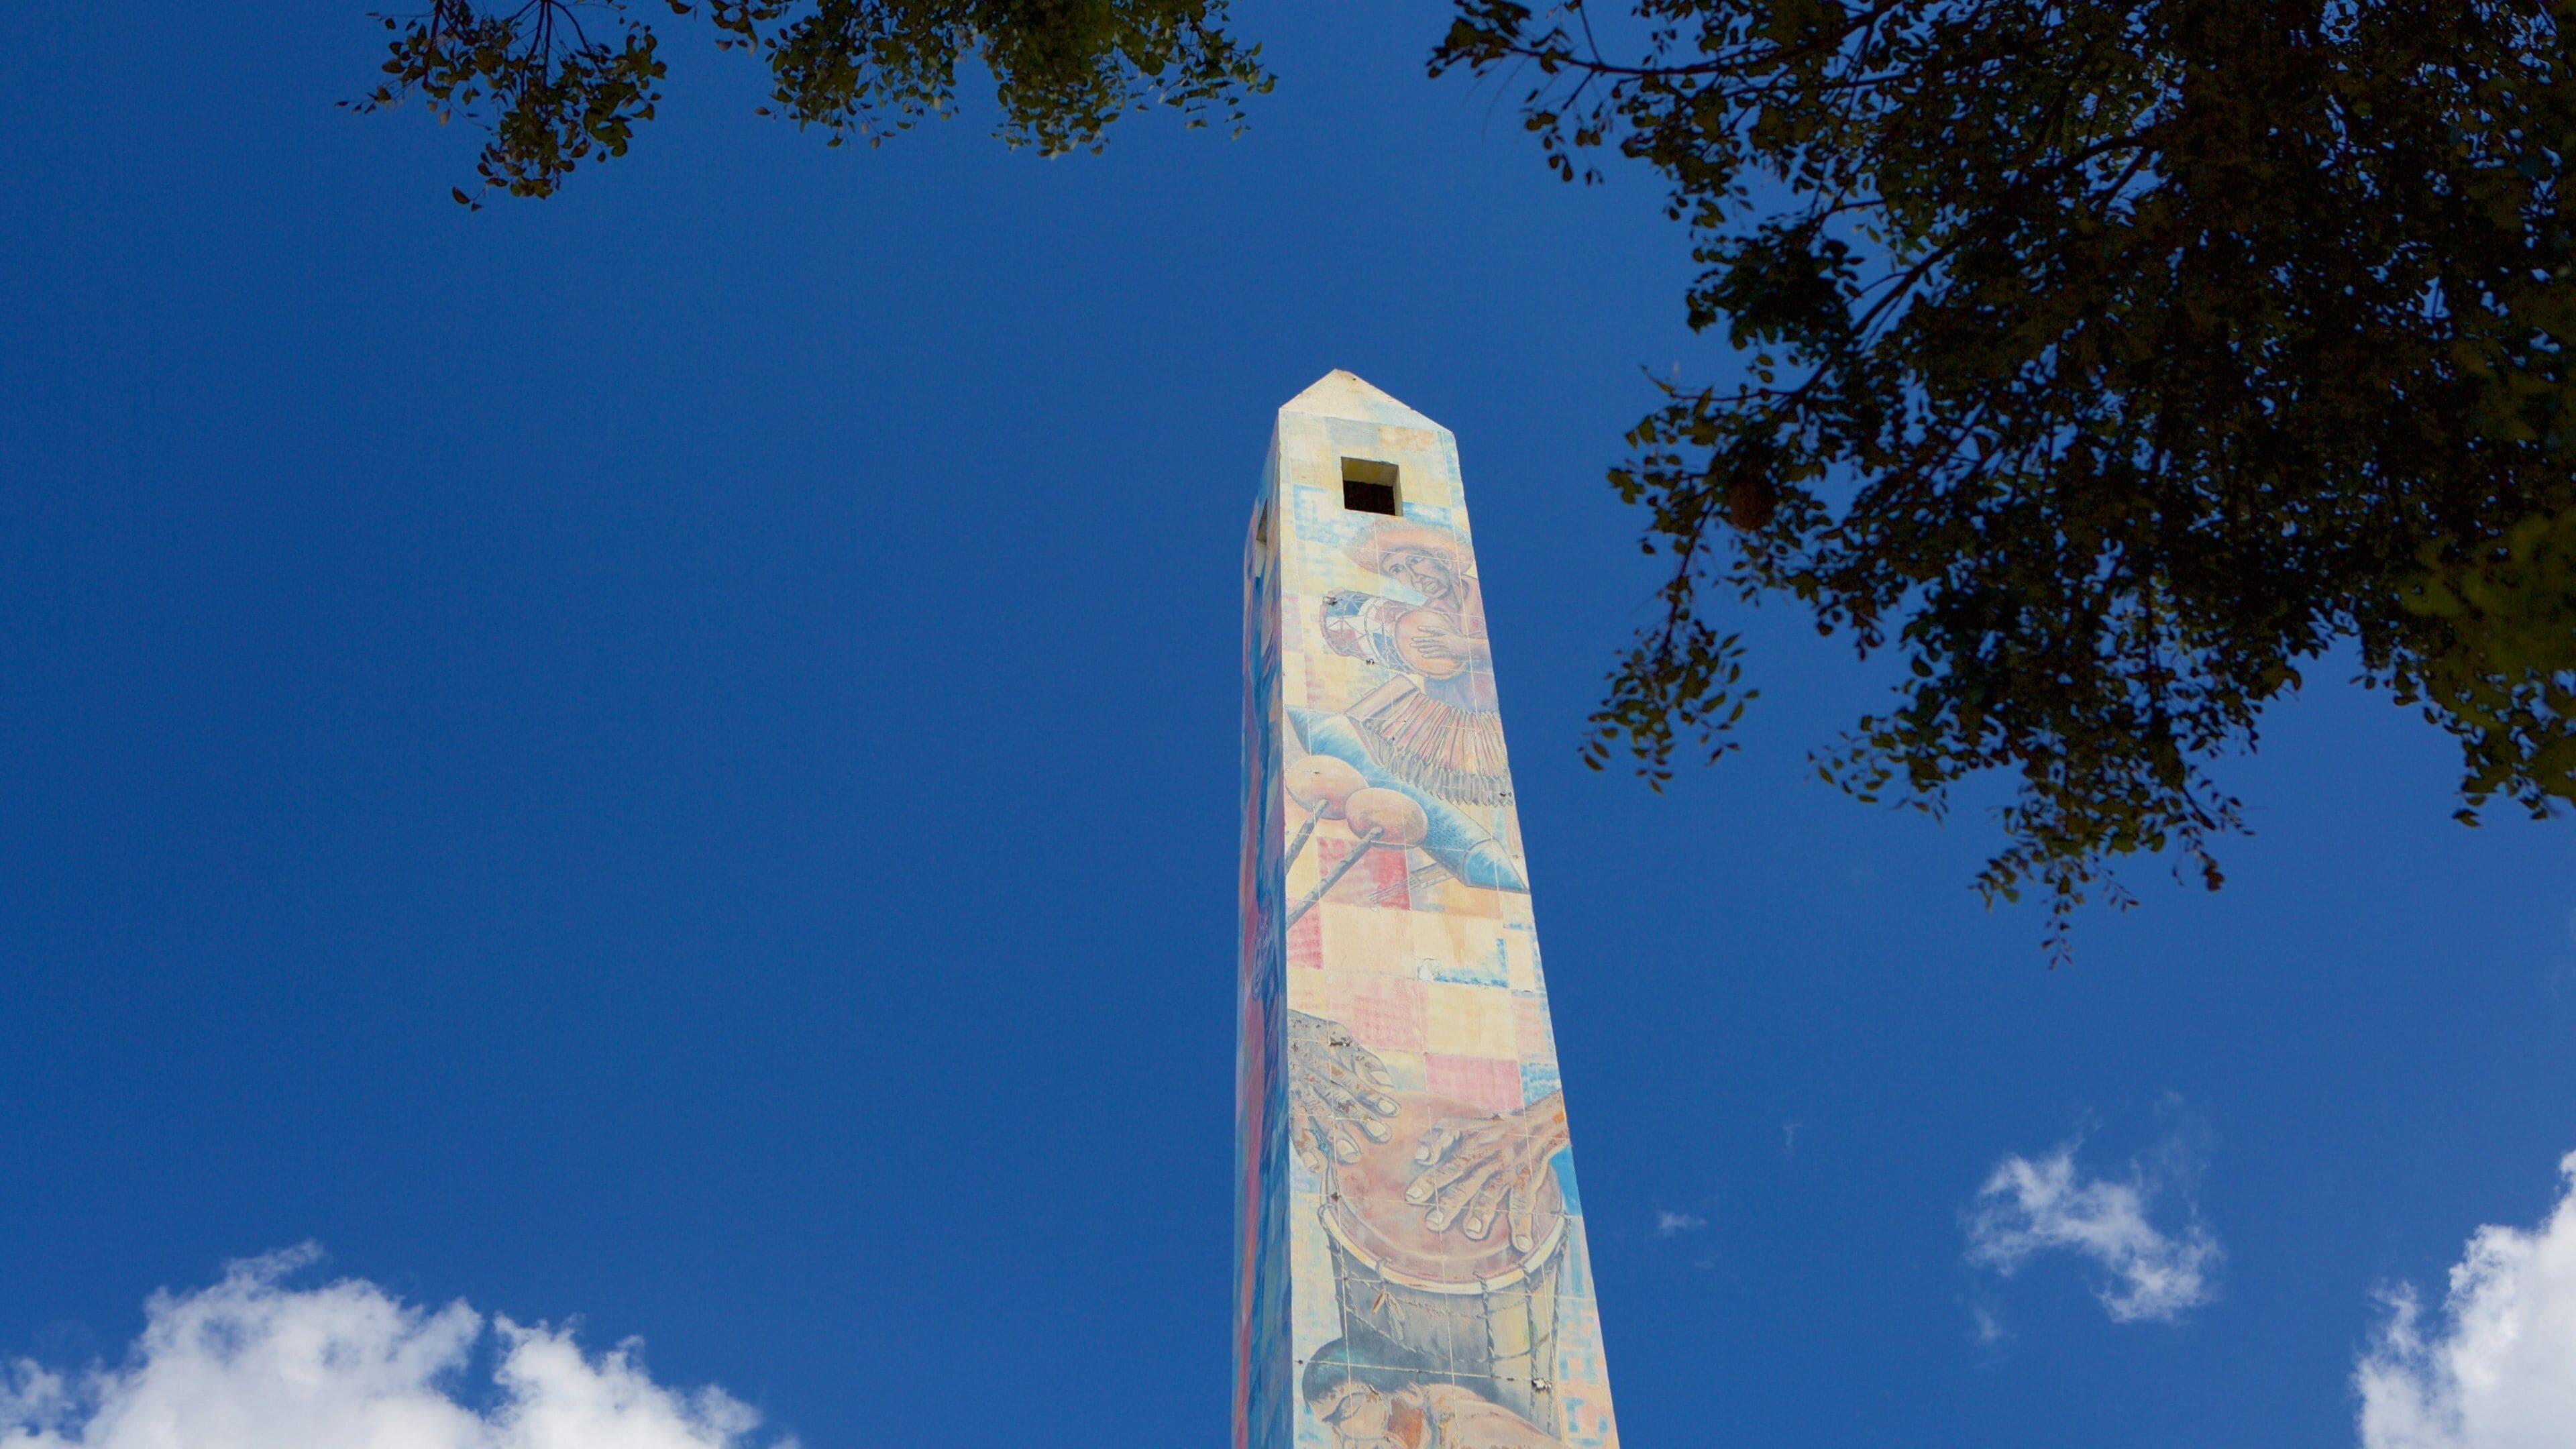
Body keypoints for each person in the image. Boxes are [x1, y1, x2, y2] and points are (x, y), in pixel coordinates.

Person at [1302, 1333, 1572, 1449]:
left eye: (1348, 1411)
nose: (1344, 1441)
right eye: (1332, 1428)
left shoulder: (1475, 1433)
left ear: (1409, 1393)